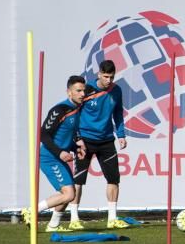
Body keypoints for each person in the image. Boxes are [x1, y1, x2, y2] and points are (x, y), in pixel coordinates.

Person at [22, 76, 87, 232]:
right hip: (49, 157)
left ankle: (53, 225)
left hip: (58, 156)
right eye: (78, 90)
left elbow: (63, 136)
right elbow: (43, 134)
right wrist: (60, 152)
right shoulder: (60, 109)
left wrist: (75, 147)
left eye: (83, 90)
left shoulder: (77, 109)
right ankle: (31, 211)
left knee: (68, 192)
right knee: (69, 194)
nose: (82, 94)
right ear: (69, 92)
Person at [71, 60, 128, 230]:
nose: (108, 80)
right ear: (98, 74)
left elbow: (118, 113)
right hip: (85, 140)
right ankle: (74, 219)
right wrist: (76, 137)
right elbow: (74, 113)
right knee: (78, 180)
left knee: (113, 179)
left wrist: (121, 135)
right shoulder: (86, 90)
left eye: (111, 77)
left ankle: (112, 218)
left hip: (107, 140)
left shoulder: (116, 91)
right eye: (105, 76)